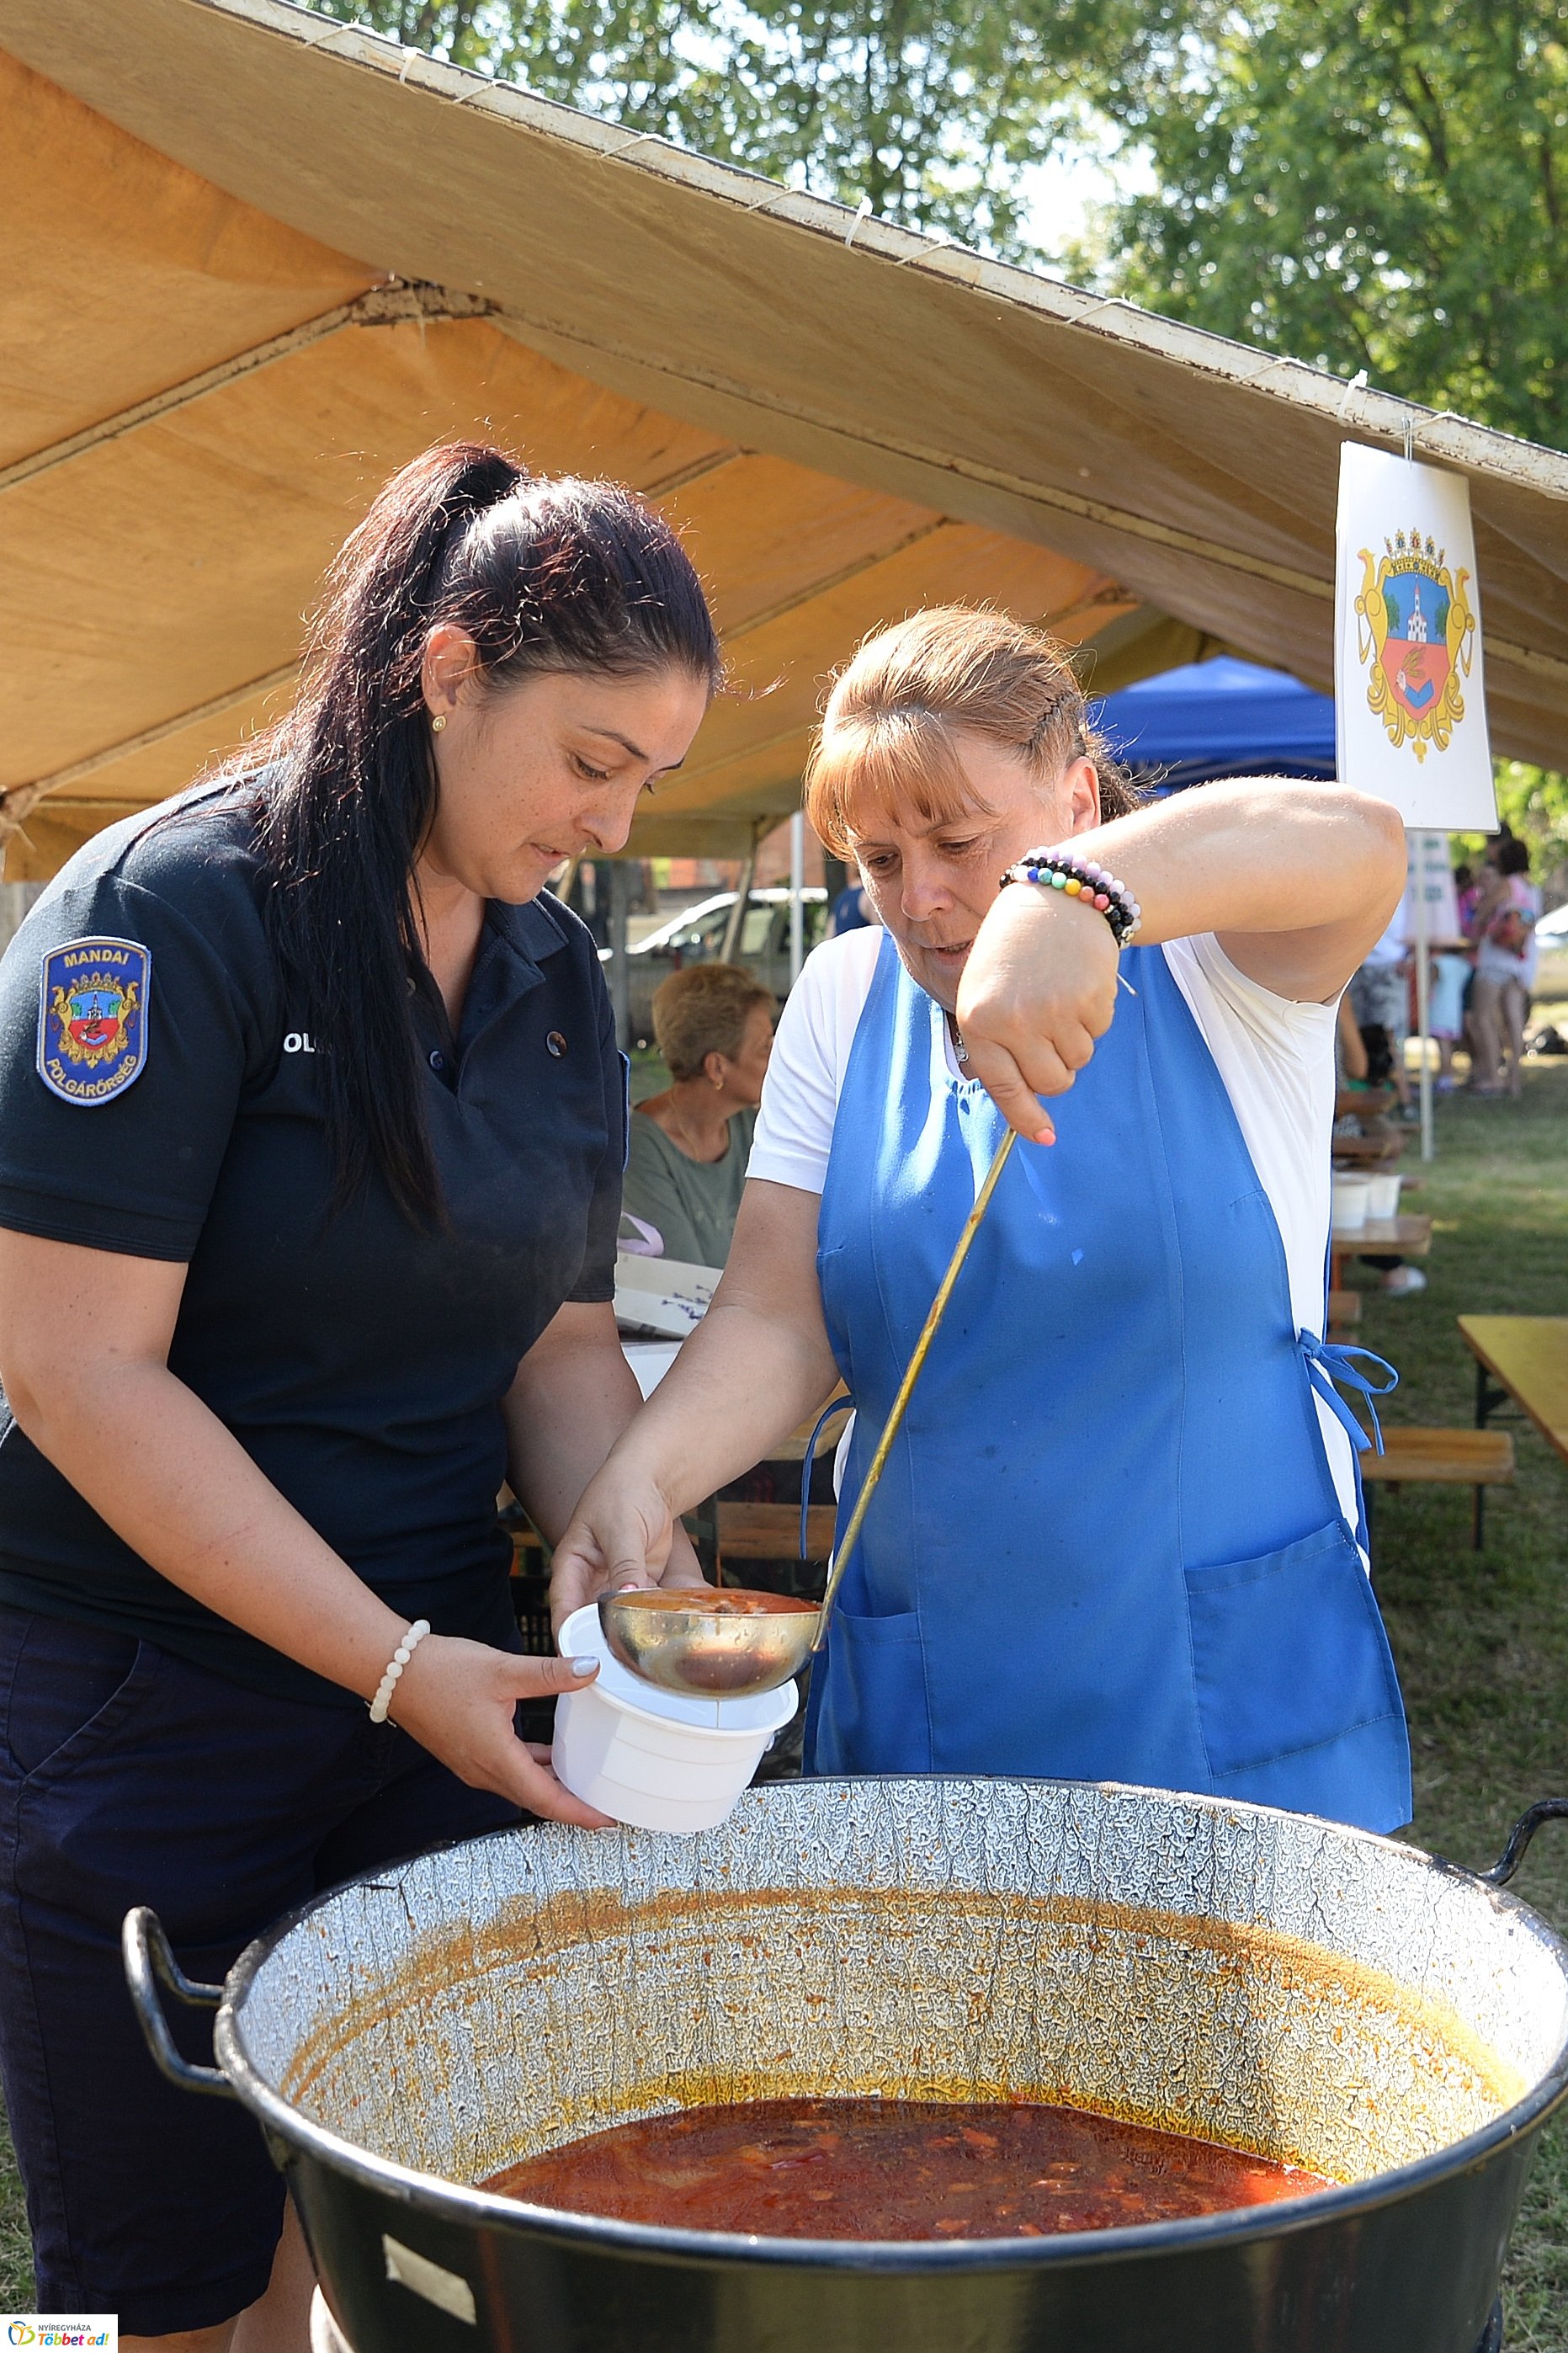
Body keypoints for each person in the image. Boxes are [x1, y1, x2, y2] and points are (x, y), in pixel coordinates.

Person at [0, 442, 717, 2350]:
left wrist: (610, 1541)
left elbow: (562, 1343)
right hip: (153, 1705)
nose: (615, 819)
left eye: (649, 775)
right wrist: (395, 1663)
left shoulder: (567, 977)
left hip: (444, 1701)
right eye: (592, 758)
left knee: (360, 2240)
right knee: (168, 2281)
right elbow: (74, 1371)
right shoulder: (170, 910)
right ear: (450, 666)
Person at [553, 606, 1413, 1839]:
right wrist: (641, 1475)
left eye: (959, 841)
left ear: (1074, 798)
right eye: (876, 860)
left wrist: (1081, 896)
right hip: (934, 1671)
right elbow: (775, 1315)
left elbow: (1358, 841)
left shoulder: (1227, 972)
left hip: (1213, 1679)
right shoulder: (845, 1001)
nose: (922, 899)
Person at [622, 963, 774, 1267]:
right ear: (717, 1067)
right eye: (765, 1048)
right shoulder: (639, 1149)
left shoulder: (756, 1126)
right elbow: (689, 1282)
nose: (779, 1056)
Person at [1468, 839, 1541, 1096]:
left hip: (1496, 959)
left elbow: (1481, 914)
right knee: (1514, 1020)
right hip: (1520, 961)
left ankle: (1492, 1075)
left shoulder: (1506, 884)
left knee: (1483, 1017)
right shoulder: (1533, 889)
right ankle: (1514, 1079)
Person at [1349, 905, 1415, 1121]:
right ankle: (1373, 1104)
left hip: (1388, 966)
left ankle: (1402, 1101)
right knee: (1361, 1039)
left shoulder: (1406, 881)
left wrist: (1409, 956)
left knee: (1388, 1040)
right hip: (1359, 964)